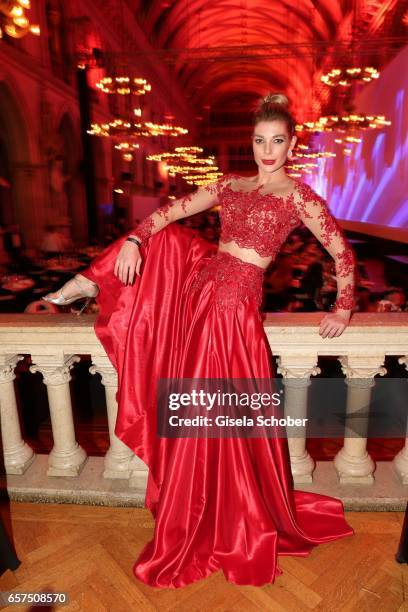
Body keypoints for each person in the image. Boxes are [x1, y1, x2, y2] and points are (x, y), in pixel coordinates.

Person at [43, 93, 356, 588]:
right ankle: (92, 279)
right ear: (250, 143)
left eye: (277, 141)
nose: (267, 150)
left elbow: (342, 253)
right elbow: (168, 212)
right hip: (200, 294)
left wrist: (343, 306)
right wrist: (133, 238)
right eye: (259, 140)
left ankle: (226, 508)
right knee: (163, 241)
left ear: (292, 144)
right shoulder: (231, 185)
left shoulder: (300, 197)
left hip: (234, 314)